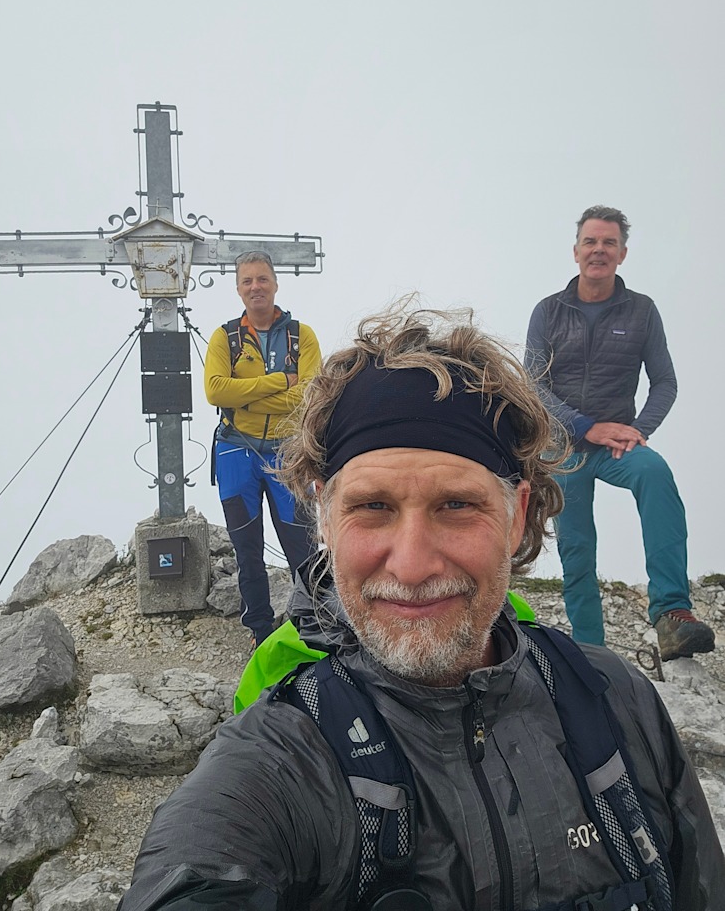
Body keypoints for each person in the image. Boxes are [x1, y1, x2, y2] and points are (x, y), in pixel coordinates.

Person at [119, 304, 723, 911]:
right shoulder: (276, 759)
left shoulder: (618, 700)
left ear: (516, 517)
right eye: (373, 507)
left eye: (456, 505)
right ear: (325, 517)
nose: (411, 565)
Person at [525, 205, 715, 660]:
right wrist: (585, 427)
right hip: (564, 448)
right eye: (591, 241)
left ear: (622, 254)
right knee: (578, 550)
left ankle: (672, 614)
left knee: (656, 474)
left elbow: (665, 382)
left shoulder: (642, 311)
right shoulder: (548, 312)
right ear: (576, 252)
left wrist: (638, 431)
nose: (599, 250)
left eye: (609, 243)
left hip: (618, 447)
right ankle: (594, 654)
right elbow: (532, 385)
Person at [203, 250, 321, 647]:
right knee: (247, 550)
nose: (256, 286)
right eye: (247, 281)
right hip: (236, 452)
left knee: (302, 547)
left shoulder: (301, 335)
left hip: (289, 452)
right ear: (238, 289)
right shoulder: (225, 336)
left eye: (262, 279)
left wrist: (245, 397)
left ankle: (314, 625)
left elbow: (311, 396)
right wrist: (277, 382)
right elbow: (215, 390)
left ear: (275, 283)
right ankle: (260, 631)